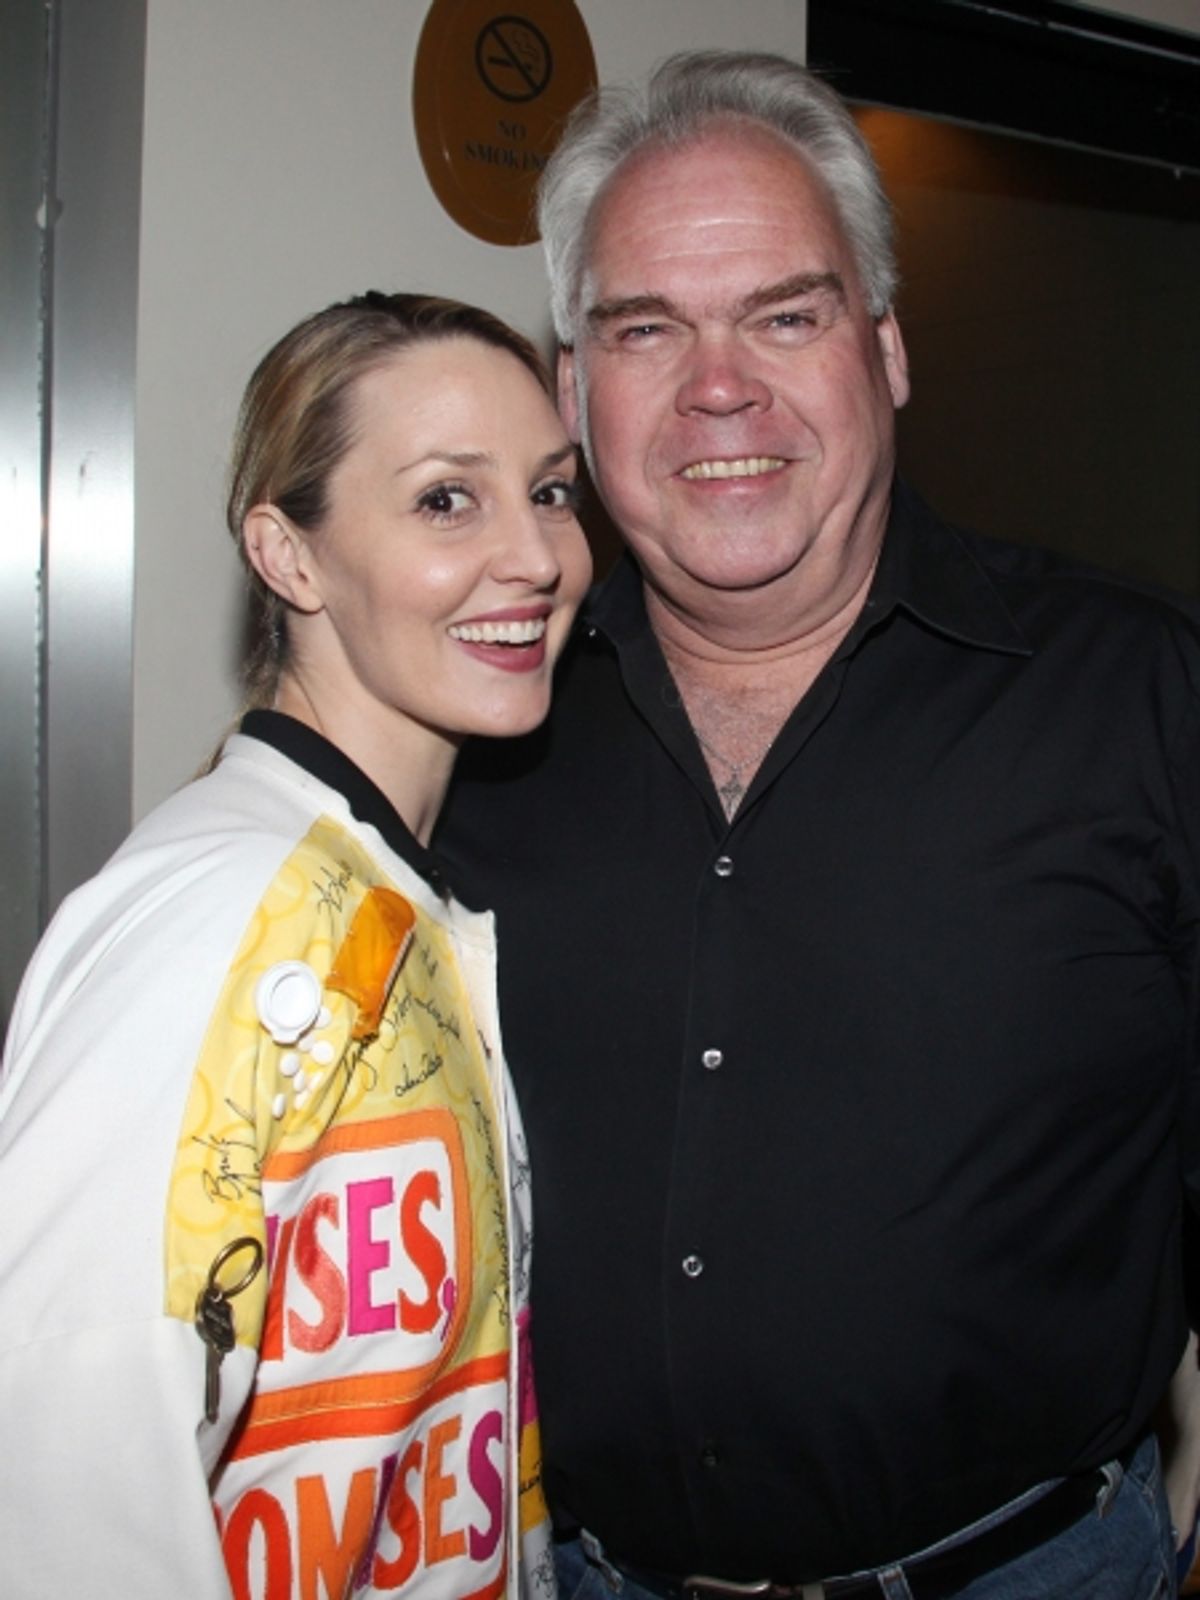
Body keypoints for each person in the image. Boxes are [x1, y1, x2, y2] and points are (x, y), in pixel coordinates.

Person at [436, 50, 1200, 1600]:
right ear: (575, 388)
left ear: (889, 350)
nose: (721, 386)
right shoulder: (470, 732)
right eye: (649, 329)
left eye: (786, 315)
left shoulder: (1143, 694)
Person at [0, 290, 591, 1598]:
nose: (538, 558)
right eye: (448, 499)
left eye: (551, 492)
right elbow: (57, 1465)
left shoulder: (396, 897)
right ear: (291, 555)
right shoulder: (227, 920)